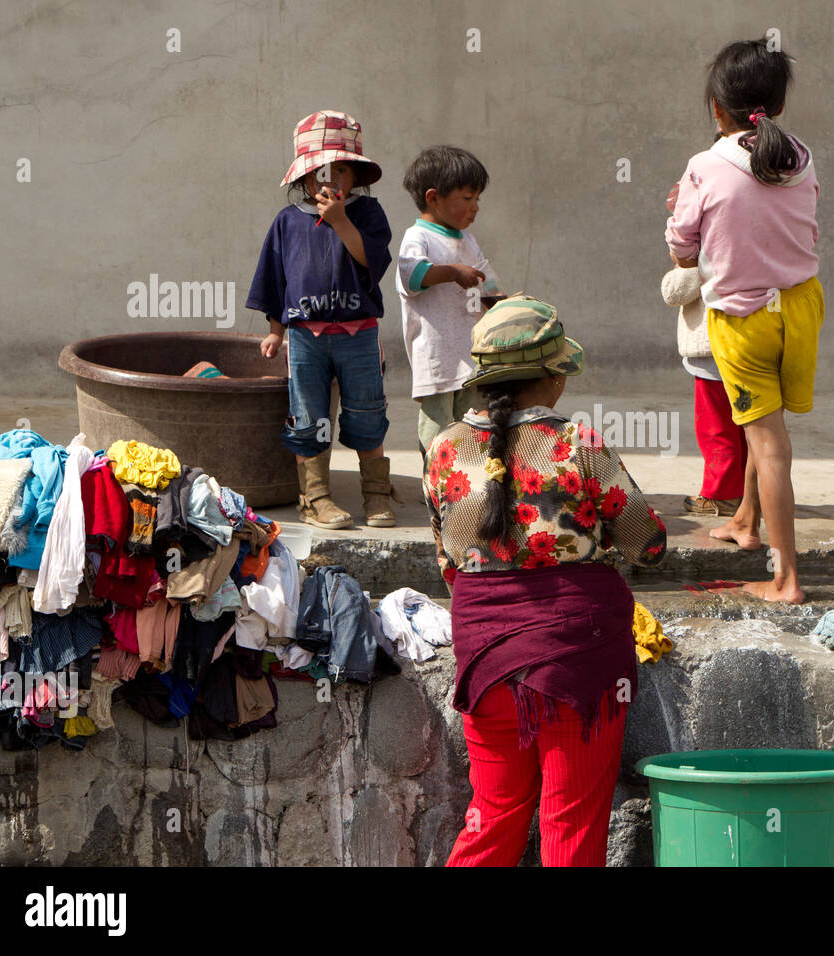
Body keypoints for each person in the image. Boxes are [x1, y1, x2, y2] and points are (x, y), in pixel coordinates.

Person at [425, 295, 666, 867]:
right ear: (553, 380)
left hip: (484, 656)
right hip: (577, 661)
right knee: (571, 822)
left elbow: (448, 562)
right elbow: (648, 546)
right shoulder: (578, 445)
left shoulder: (442, 450)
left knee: (494, 813)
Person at [665, 38, 823, 604]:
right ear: (777, 105)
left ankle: (785, 580)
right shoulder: (801, 157)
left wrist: (682, 215)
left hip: (743, 313)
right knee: (770, 425)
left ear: (717, 108)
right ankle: (746, 520)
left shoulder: (704, 165)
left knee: (770, 442)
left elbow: (684, 248)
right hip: (801, 306)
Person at [247, 109, 398, 530]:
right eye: (320, 172)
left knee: (367, 412)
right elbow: (275, 280)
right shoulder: (287, 223)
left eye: (340, 171)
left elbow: (373, 261)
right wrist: (276, 331)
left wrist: (340, 221)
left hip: (359, 334)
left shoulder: (367, 215)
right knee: (309, 415)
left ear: (355, 177)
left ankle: (376, 495)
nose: (330, 181)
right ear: (305, 179)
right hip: (306, 338)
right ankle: (315, 498)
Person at [397, 145, 504, 461]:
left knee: (472, 422)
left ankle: (465, 479)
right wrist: (452, 272)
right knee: (438, 425)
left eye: (478, 199)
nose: (475, 207)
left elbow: (489, 282)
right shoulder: (419, 238)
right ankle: (436, 480)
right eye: (467, 199)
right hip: (436, 354)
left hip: (469, 352)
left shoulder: (467, 240)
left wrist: (507, 305)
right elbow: (412, 275)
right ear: (433, 198)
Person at [662, 182, 746, 517]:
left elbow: (676, 293)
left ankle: (721, 494)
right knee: (749, 424)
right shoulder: (753, 231)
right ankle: (753, 493)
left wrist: (682, 265)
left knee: (717, 428)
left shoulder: (701, 249)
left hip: (711, 352)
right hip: (751, 344)